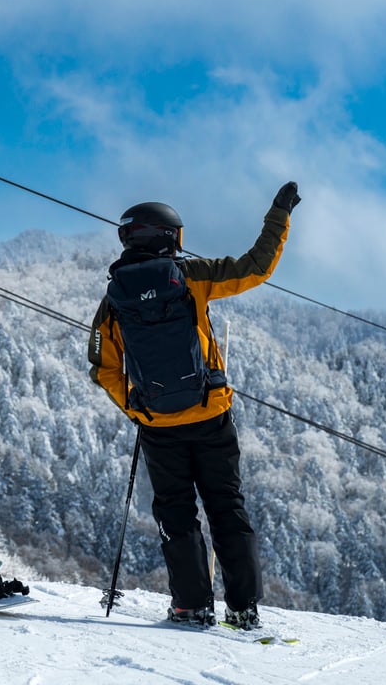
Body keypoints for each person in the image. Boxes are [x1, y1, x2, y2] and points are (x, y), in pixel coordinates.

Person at [87, 182, 300, 629]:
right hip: (211, 414)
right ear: (170, 237)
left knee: (175, 512)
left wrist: (137, 408)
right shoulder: (193, 276)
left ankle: (190, 606)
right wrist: (279, 214)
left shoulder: (113, 301)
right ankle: (243, 608)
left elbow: (103, 368)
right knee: (227, 507)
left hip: (157, 425)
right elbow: (255, 267)